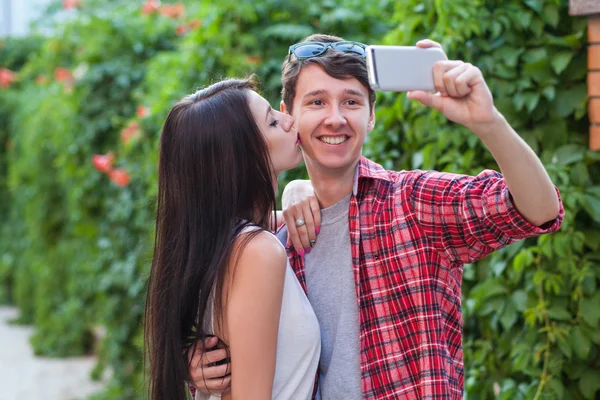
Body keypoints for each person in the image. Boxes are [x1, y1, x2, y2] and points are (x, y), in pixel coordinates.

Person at [191, 35, 564, 399]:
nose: (334, 119)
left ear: (371, 116)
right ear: (290, 117)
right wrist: (195, 361)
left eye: (351, 102)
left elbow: (537, 210)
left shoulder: (413, 202)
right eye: (317, 101)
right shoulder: (278, 238)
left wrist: (489, 122)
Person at [144, 77, 321, 400]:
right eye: (272, 121)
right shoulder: (257, 251)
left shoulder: (217, 242)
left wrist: (301, 188)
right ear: (240, 155)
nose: (289, 120)